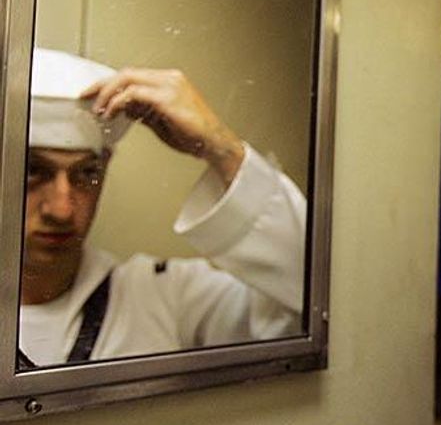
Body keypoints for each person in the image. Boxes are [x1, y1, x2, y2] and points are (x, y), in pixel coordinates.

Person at [20, 48, 306, 367]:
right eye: (33, 170)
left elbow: (309, 308)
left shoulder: (163, 296)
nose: (62, 210)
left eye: (87, 173)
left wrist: (221, 147)